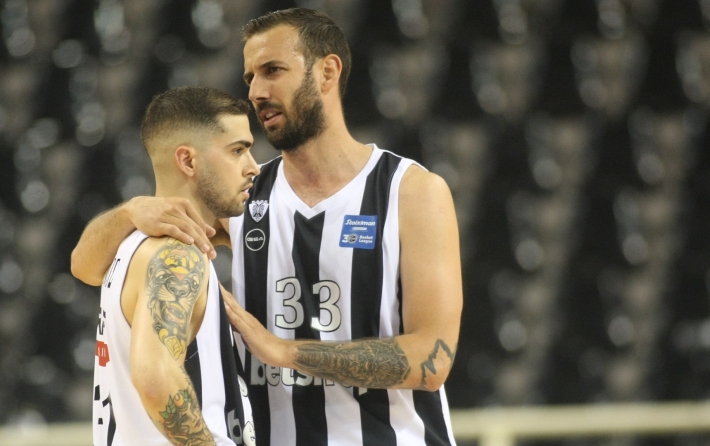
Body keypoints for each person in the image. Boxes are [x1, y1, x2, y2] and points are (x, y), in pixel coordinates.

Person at [73, 8, 463, 446]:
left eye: (272, 70)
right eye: (250, 77)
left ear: (327, 72)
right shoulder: (242, 195)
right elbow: (87, 267)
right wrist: (128, 213)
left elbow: (432, 359)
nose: (256, 91)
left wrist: (284, 351)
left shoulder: (411, 191)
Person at [90, 86, 257, 446]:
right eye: (237, 151)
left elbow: (80, 265)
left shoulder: (129, 241)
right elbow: (155, 378)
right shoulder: (177, 255)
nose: (253, 167)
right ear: (188, 162)